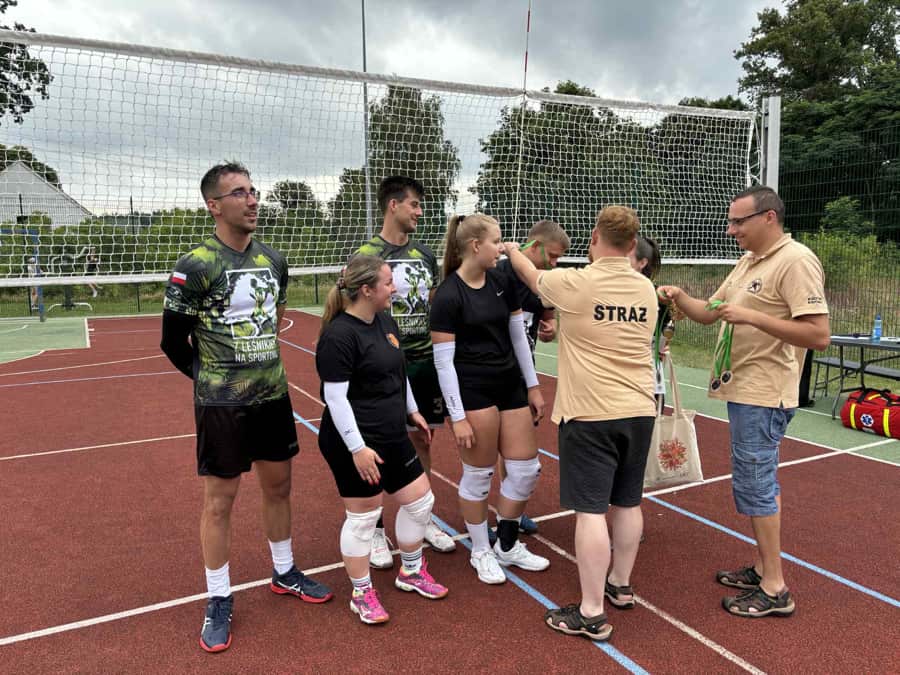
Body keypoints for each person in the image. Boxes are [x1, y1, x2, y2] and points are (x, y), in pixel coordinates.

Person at [160, 162, 332, 653]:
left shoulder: (273, 260)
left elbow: (274, 320)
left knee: (279, 488)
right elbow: (172, 342)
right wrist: (210, 379)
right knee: (220, 503)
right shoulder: (195, 266)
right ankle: (218, 597)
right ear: (214, 205)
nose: (253, 200)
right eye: (239, 193)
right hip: (221, 405)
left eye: (253, 191)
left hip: (272, 398)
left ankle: (284, 571)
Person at [658, 185, 830, 618]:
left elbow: (818, 335)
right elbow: (711, 312)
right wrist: (679, 297)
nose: (731, 230)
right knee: (757, 484)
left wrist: (753, 316)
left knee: (757, 486)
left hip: (765, 393)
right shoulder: (749, 261)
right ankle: (762, 568)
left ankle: (775, 588)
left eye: (739, 221)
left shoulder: (795, 260)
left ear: (768, 217)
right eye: (731, 221)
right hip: (744, 391)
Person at [503, 205, 658, 641]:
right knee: (628, 502)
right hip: (640, 409)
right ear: (633, 245)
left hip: (591, 413)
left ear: (594, 238)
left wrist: (512, 249)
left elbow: (530, 275)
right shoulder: (645, 288)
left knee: (590, 511)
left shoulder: (576, 282)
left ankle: (591, 612)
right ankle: (620, 585)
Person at [316, 254, 449, 625]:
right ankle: (361, 593)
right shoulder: (339, 336)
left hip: (391, 433)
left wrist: (412, 410)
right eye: (388, 282)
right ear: (366, 290)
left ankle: (411, 570)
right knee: (364, 519)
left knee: (420, 502)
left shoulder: (385, 321)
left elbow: (398, 371)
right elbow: (336, 399)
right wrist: (357, 449)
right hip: (355, 441)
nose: (395, 288)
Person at [430, 213, 550, 585]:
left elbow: (519, 337)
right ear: (475, 245)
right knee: (479, 476)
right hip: (474, 392)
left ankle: (507, 544)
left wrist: (532, 386)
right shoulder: (448, 294)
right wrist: (457, 416)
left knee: (526, 469)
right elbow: (443, 362)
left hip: (510, 384)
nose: (501, 248)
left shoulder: (502, 281)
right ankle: (481, 549)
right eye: (496, 242)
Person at [355, 175, 456, 567]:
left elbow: (432, 304)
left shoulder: (424, 255)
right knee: (379, 446)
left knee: (423, 441)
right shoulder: (366, 255)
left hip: (422, 361)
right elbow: (356, 311)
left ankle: (421, 518)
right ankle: (375, 530)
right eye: (414, 204)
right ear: (393, 205)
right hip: (383, 365)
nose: (420, 212)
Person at [491, 219, 571, 540]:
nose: (554, 263)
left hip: (524, 374)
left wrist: (550, 328)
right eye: (551, 256)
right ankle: (485, 520)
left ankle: (510, 512)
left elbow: (548, 321)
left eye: (558, 259)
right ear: (534, 246)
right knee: (491, 448)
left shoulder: (544, 282)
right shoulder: (498, 272)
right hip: (492, 372)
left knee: (516, 449)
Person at [628, 236, 670, 405]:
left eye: (626, 257)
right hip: (618, 374)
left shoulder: (659, 296)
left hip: (649, 372)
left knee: (653, 416)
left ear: (642, 263)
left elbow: (666, 330)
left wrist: (662, 346)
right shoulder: (612, 290)